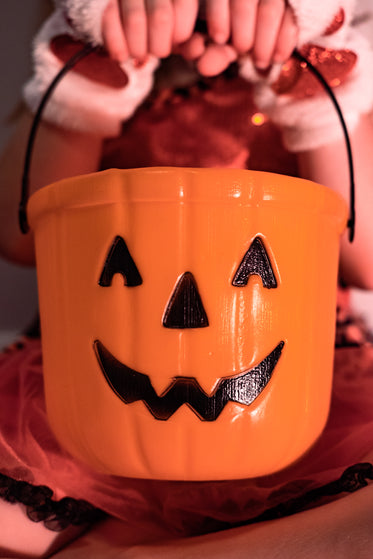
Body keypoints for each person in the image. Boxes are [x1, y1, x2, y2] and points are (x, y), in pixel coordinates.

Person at [0, 1, 373, 557]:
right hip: (88, 379)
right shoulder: (84, 61)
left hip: (301, 373)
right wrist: (86, 76)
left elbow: (363, 255)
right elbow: (22, 231)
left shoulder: (334, 75)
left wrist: (317, 94)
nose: (186, 317)